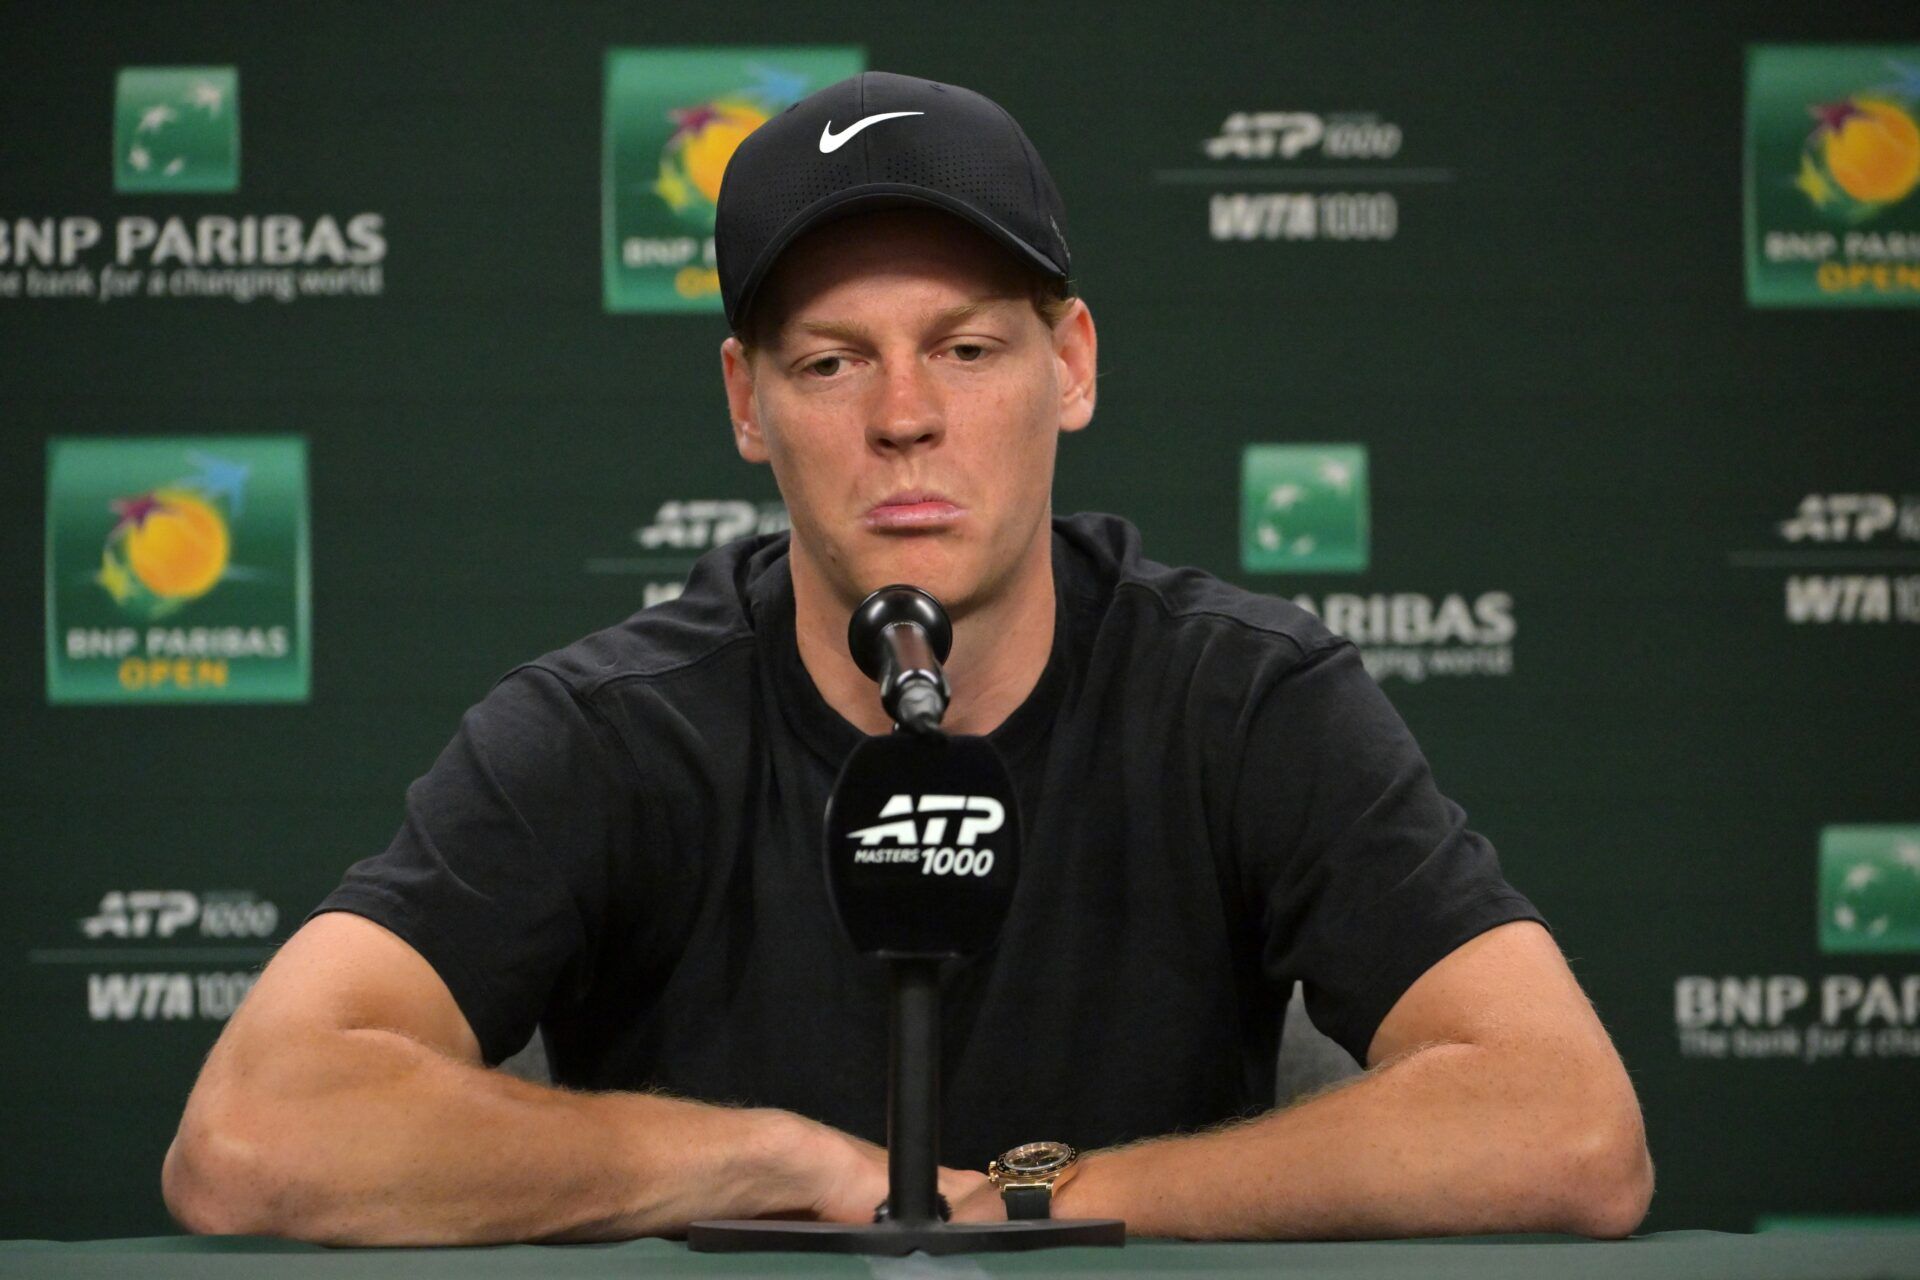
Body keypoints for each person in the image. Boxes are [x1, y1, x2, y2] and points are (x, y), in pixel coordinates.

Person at [163, 71, 1652, 1245]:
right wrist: (768, 1162)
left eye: (967, 348)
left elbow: (1569, 1130)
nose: (903, 417)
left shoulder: (1245, 697)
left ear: (1069, 365)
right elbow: (253, 1137)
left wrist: (1035, 1203)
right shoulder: (609, 729)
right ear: (747, 402)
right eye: (830, 361)